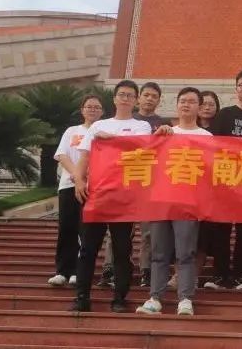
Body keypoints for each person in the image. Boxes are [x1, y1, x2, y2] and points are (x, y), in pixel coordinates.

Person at [69, 80, 151, 313]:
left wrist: (111, 140)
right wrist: (79, 180)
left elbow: (140, 149)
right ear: (114, 99)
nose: (125, 98)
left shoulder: (142, 126)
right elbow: (84, 157)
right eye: (121, 94)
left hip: (125, 197)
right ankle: (82, 297)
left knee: (122, 250)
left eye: (130, 95)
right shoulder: (98, 126)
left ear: (136, 100)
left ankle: (119, 299)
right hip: (96, 194)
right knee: (88, 248)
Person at [136, 87, 209, 316]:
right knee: (159, 252)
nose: (186, 104)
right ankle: (155, 298)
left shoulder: (207, 138)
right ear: (177, 105)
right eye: (182, 100)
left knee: (185, 253)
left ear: (199, 107)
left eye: (191, 101)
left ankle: (185, 298)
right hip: (162, 200)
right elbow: (144, 158)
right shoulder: (165, 132)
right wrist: (156, 138)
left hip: (188, 203)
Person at [205, 69, 242, 291]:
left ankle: (240, 276)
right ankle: (219, 275)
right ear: (236, 88)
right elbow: (211, 146)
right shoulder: (224, 115)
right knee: (220, 229)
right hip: (225, 179)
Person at [48, 94, 104, 287]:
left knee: (85, 231)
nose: (92, 110)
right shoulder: (72, 131)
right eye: (89, 106)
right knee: (66, 227)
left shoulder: (103, 132)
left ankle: (78, 271)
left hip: (93, 187)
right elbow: (62, 155)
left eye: (97, 107)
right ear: (82, 110)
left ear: (102, 112)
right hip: (68, 184)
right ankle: (62, 271)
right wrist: (77, 174)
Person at [134, 81, 169, 287]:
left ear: (159, 100)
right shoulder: (127, 120)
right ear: (139, 97)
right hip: (128, 180)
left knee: (149, 231)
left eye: (154, 96)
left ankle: (146, 270)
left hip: (152, 183)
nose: (149, 99)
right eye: (146, 95)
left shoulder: (164, 124)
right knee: (118, 230)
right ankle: (112, 269)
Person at [194, 90, 220, 278]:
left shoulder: (221, 131)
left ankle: (195, 274)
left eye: (211, 104)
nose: (207, 107)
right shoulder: (184, 129)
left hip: (213, 191)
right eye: (203, 104)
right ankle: (178, 275)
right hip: (188, 187)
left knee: (203, 235)